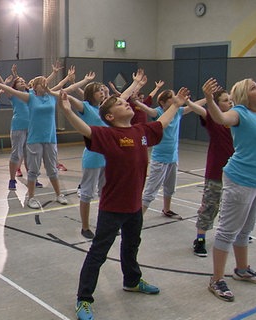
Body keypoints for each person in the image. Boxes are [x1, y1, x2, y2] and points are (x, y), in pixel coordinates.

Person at [57, 79, 189, 320]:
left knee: (131, 246)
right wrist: (67, 112)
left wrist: (176, 105)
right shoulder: (108, 135)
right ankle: (84, 298)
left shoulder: (141, 131)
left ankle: (132, 281)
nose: (125, 103)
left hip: (134, 206)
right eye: (118, 103)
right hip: (113, 208)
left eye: (123, 101)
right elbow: (85, 129)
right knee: (99, 253)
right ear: (109, 117)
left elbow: (163, 122)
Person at [204, 78, 256, 302]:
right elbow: (220, 118)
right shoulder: (239, 113)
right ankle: (216, 279)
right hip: (239, 178)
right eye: (255, 88)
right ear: (245, 96)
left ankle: (242, 269)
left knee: (246, 229)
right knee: (228, 230)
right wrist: (210, 98)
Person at [0, 68, 92, 210]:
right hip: (34, 139)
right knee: (33, 170)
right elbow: (11, 91)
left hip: (50, 139)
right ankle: (31, 197)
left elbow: (69, 88)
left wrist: (85, 80)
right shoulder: (30, 97)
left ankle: (59, 194)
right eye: (42, 83)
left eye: (46, 83)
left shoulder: (51, 96)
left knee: (52, 169)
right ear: (35, 87)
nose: (45, 85)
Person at [184, 90, 234, 257]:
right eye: (226, 100)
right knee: (210, 206)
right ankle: (200, 239)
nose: (230, 103)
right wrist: (190, 102)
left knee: (233, 206)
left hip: (235, 173)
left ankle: (236, 234)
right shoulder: (213, 119)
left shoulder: (238, 120)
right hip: (216, 172)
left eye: (231, 100)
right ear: (218, 105)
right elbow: (201, 110)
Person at [136, 88, 194, 219]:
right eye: (171, 97)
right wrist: (138, 103)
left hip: (173, 157)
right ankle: (137, 219)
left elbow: (193, 108)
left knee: (170, 187)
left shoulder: (178, 112)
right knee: (151, 190)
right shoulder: (159, 112)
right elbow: (148, 110)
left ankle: (167, 209)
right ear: (162, 102)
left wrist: (208, 99)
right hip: (160, 158)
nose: (174, 98)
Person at [63, 81, 107, 239]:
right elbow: (66, 95)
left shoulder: (104, 109)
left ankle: (104, 224)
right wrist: (74, 84)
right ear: (90, 94)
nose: (101, 93)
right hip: (93, 157)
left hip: (107, 158)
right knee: (87, 193)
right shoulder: (86, 107)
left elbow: (124, 96)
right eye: (98, 91)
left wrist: (136, 83)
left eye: (102, 90)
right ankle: (85, 226)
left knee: (106, 193)